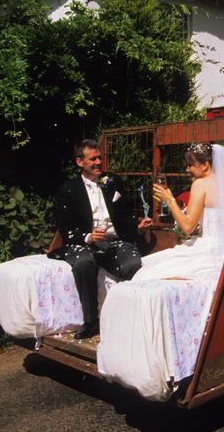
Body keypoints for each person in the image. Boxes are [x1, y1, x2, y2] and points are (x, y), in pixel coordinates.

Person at [96, 143, 224, 400]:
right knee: (159, 264)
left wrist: (169, 200)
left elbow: (188, 227)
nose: (188, 169)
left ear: (205, 165)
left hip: (207, 247)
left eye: (190, 164)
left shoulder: (201, 185)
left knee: (147, 268)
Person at [55, 139, 153, 339]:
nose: (99, 162)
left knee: (135, 264)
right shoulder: (68, 190)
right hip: (84, 244)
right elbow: (66, 229)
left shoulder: (112, 181)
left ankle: (132, 319)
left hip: (115, 242)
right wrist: (88, 236)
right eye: (93, 159)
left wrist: (138, 225)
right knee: (83, 264)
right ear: (80, 162)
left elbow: (124, 214)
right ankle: (91, 322)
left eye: (100, 158)